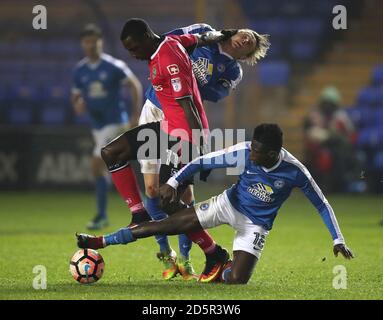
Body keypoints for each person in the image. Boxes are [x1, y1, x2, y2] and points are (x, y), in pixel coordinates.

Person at [77, 123, 354, 284]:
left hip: (255, 226)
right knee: (163, 225)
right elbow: (201, 162)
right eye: (252, 148)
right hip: (227, 204)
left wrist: (337, 238)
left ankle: (224, 267)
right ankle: (101, 242)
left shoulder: (295, 171)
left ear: (272, 153)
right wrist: (173, 183)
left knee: (238, 281)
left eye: (257, 152)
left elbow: (322, 204)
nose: (251, 154)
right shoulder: (245, 151)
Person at [90, 18, 240, 282]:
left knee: (167, 200)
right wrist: (218, 35)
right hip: (166, 127)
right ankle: (138, 214)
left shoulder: (169, 59)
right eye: (129, 51)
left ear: (148, 37)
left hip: (182, 134)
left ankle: (212, 252)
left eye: (135, 48)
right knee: (111, 153)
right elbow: (198, 38)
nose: (134, 55)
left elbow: (188, 105)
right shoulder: (170, 42)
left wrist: (196, 150)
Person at [137, 23, 270, 280]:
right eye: (247, 34)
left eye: (251, 44)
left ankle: (186, 260)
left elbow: (216, 94)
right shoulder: (203, 31)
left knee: (182, 193)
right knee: (152, 190)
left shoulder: (232, 70)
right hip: (153, 107)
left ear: (246, 56)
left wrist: (183, 76)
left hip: (182, 117)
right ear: (237, 30)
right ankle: (167, 256)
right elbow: (167, 39)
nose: (245, 40)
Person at [71, 24, 143, 230]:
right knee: (107, 167)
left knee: (96, 163)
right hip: (97, 125)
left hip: (115, 122)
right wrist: (77, 104)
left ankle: (103, 215)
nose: (91, 45)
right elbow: (75, 94)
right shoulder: (80, 70)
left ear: (100, 42)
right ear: (82, 44)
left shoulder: (113, 65)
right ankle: (139, 204)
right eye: (87, 41)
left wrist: (135, 114)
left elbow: (135, 85)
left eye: (95, 40)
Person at [303, 86, 360, 193]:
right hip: (319, 151)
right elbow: (311, 134)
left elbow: (349, 136)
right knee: (320, 158)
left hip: (340, 151)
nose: (327, 106)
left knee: (347, 158)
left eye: (330, 103)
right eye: (326, 103)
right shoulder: (315, 115)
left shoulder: (341, 117)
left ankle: (346, 185)